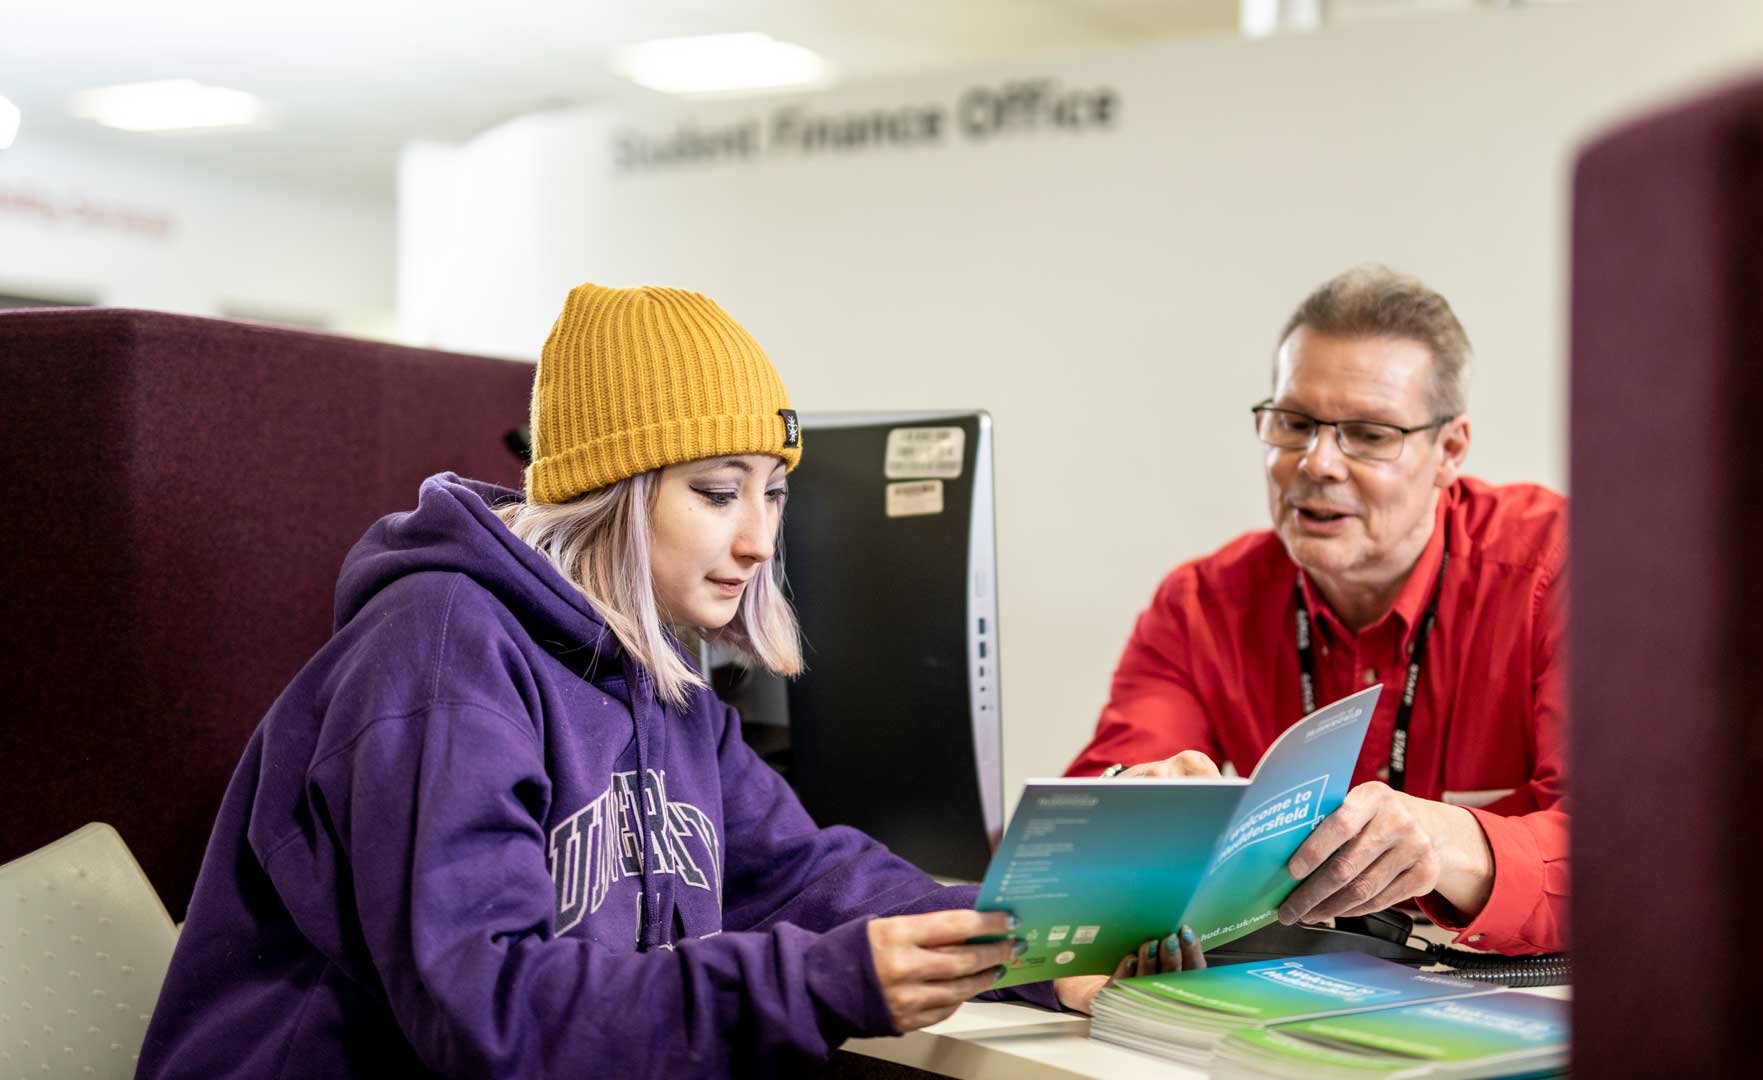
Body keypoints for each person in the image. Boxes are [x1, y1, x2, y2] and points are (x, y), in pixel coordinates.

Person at [136, 285, 1176, 1077]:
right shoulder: (442, 652)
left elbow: (807, 876)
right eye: (718, 492)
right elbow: (481, 1013)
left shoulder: (659, 675)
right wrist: (821, 982)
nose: (760, 539)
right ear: (610, 494)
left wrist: (1041, 946)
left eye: (774, 494)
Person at [1064, 265, 1567, 959]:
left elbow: (1640, 857)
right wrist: (1129, 801)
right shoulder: (1200, 605)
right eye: (1294, 424)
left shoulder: (1561, 571)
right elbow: (1095, 807)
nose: (1317, 463)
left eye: (1367, 434)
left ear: (1449, 450)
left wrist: (1454, 842)